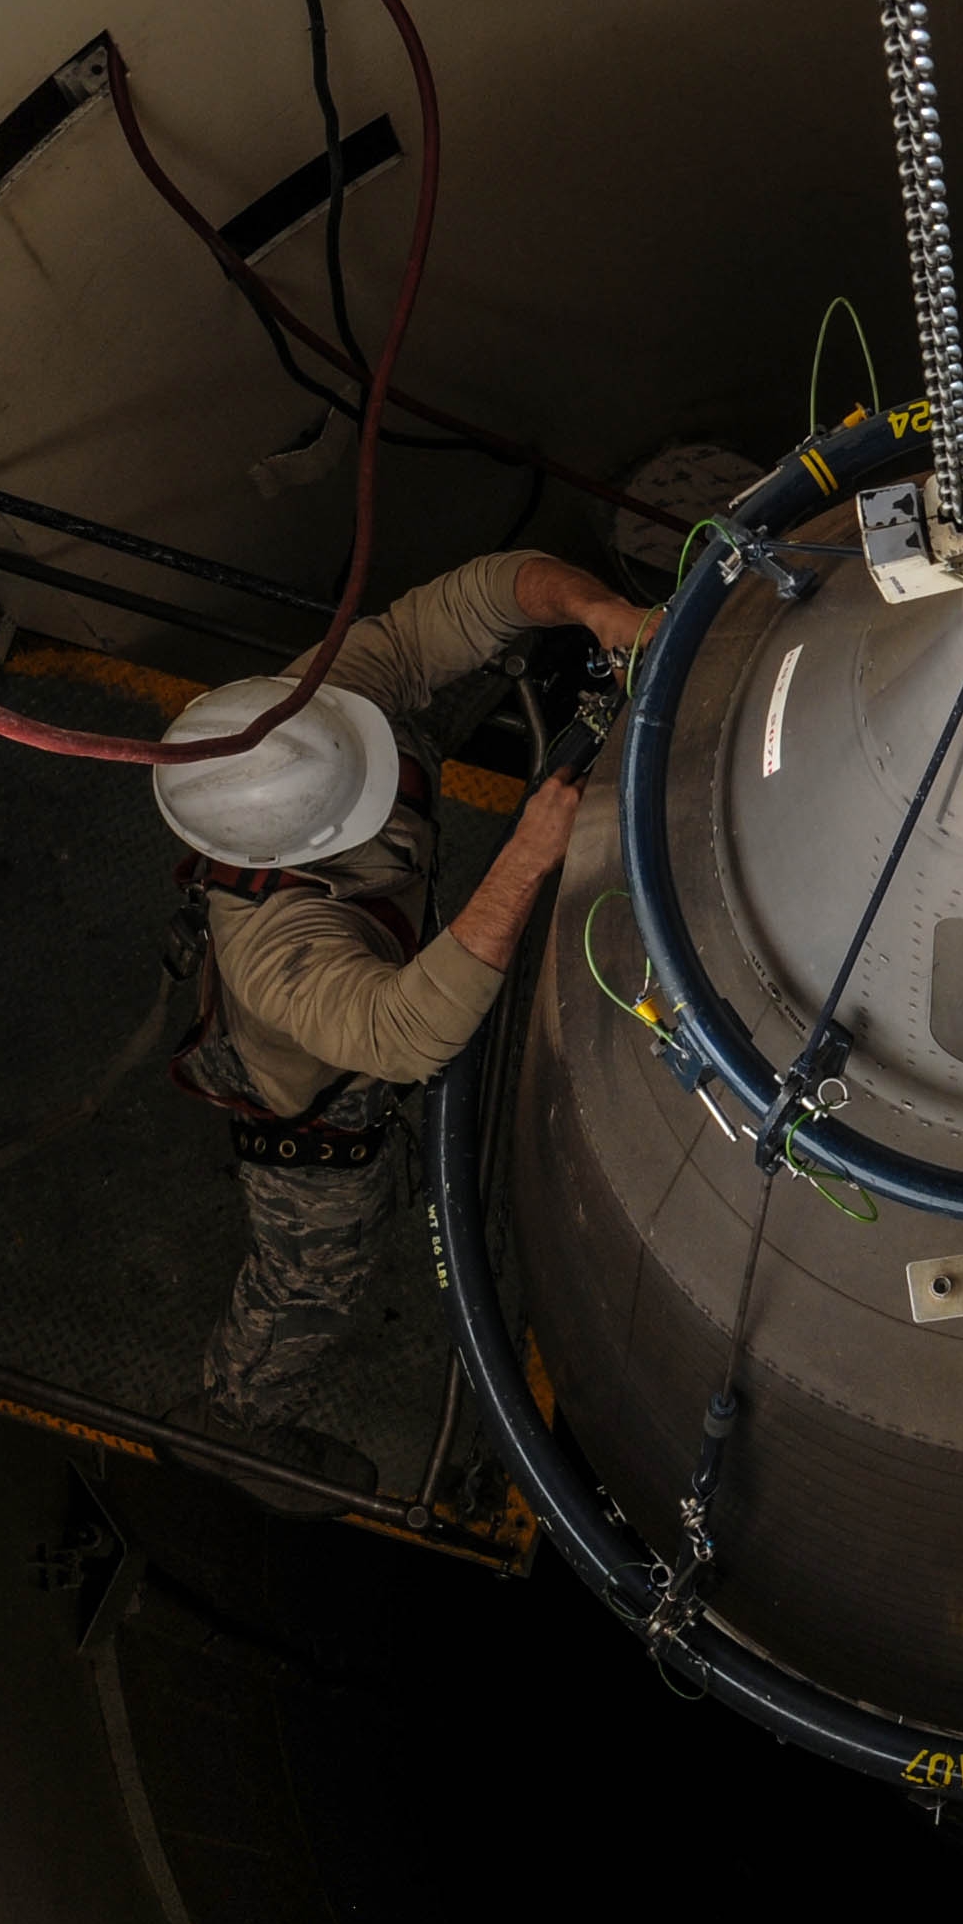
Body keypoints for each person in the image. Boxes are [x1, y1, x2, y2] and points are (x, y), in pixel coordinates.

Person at [146, 550, 646, 1497]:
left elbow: (477, 597)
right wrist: (530, 856)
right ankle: (232, 1421)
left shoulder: (311, 708)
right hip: (315, 1118)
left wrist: (598, 610)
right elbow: (406, 1034)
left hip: (359, 1006)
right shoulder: (278, 949)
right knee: (311, 1289)